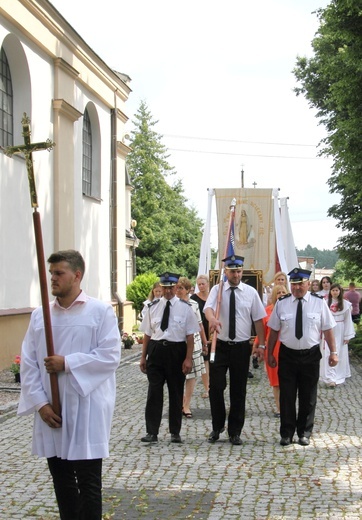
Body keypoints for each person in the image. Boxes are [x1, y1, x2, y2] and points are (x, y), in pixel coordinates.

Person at [17, 250, 121, 520]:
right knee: (62, 483)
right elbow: (28, 362)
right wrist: (40, 404)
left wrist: (68, 363)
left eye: (58, 273)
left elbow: (110, 356)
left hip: (86, 408)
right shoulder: (40, 315)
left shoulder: (100, 312)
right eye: (51, 273)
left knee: (88, 483)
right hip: (52, 410)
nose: (53, 278)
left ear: (76, 275)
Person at [267, 267, 337, 447]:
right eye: (295, 284)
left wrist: (333, 352)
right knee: (287, 395)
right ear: (291, 285)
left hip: (310, 354)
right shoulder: (282, 303)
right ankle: (287, 433)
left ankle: (304, 432)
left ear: (308, 284)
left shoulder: (319, 303)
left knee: (308, 395)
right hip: (288, 354)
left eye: (301, 284)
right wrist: (269, 354)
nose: (297, 288)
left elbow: (328, 329)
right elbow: (274, 330)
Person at [204, 255, 266, 446]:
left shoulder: (250, 292)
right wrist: (212, 319)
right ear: (226, 272)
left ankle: (235, 431)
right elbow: (208, 308)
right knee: (215, 387)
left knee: (238, 390)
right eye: (232, 271)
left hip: (240, 347)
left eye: (239, 271)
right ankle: (217, 426)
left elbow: (258, 320)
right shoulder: (218, 290)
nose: (236, 274)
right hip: (220, 345)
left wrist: (261, 345)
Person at [139, 272, 199, 444]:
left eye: (171, 288)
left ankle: (175, 431)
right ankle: (152, 431)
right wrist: (143, 357)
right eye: (164, 288)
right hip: (157, 350)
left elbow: (189, 336)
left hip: (176, 351)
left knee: (175, 392)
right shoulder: (153, 307)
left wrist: (188, 359)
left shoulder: (185, 308)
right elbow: (147, 334)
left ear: (176, 287)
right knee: (154, 392)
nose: (167, 291)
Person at [254, 284, 288, 417]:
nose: (281, 294)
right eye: (278, 292)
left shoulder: (292, 309)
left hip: (287, 348)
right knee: (276, 381)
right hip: (272, 349)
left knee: (287, 380)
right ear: (274, 295)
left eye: (283, 292)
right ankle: (280, 408)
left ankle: (287, 406)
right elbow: (261, 331)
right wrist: (257, 346)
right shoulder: (267, 311)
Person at [175, 277, 207, 418]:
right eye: (177, 287)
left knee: (192, 375)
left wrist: (205, 343)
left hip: (194, 342)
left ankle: (186, 404)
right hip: (177, 342)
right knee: (177, 374)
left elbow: (200, 324)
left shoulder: (194, 304)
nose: (178, 291)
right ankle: (178, 402)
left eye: (181, 288)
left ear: (188, 290)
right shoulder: (172, 304)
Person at [320, 283, 355, 386]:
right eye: (333, 290)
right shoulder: (325, 303)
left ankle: (337, 376)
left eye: (337, 290)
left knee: (338, 352)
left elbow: (348, 320)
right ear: (330, 292)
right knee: (327, 352)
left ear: (340, 292)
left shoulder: (346, 305)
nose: (335, 292)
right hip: (328, 329)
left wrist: (347, 335)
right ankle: (329, 377)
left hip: (340, 330)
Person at [191, 274, 211, 398]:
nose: (201, 286)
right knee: (205, 362)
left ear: (208, 284)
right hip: (200, 331)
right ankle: (207, 388)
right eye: (199, 284)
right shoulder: (194, 298)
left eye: (203, 284)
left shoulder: (213, 297)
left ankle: (214, 386)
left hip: (213, 331)